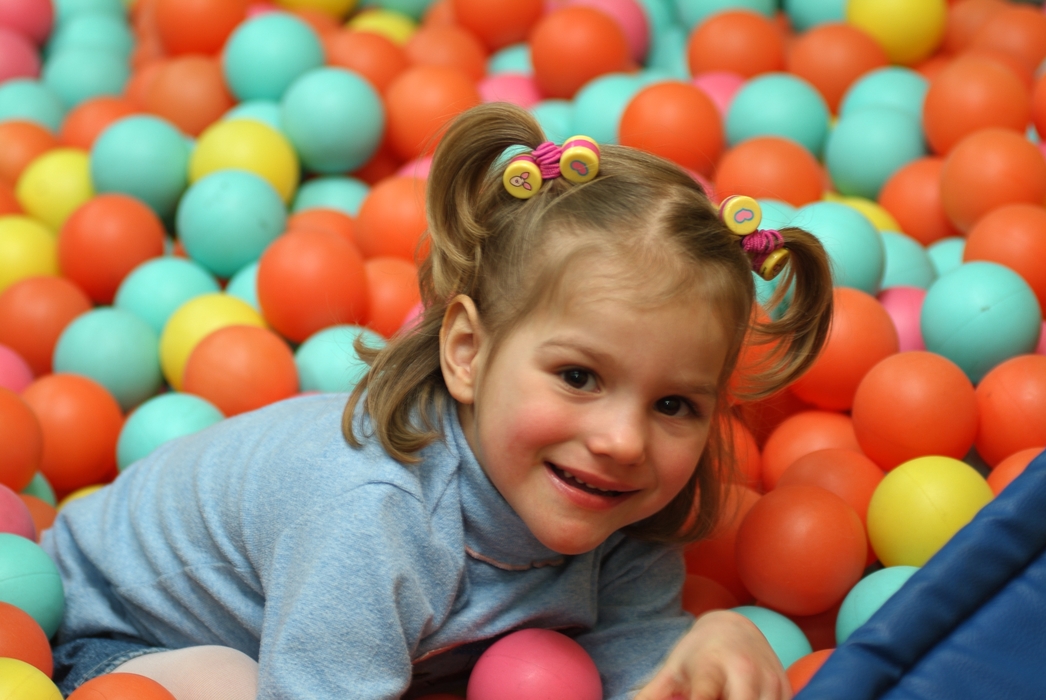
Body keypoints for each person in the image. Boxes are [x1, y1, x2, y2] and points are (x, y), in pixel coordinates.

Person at [42, 102, 833, 700]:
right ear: (468, 352)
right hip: (108, 633)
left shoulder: (618, 519)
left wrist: (710, 645)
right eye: (579, 377)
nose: (624, 439)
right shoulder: (376, 518)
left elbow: (635, 670)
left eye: (675, 407)